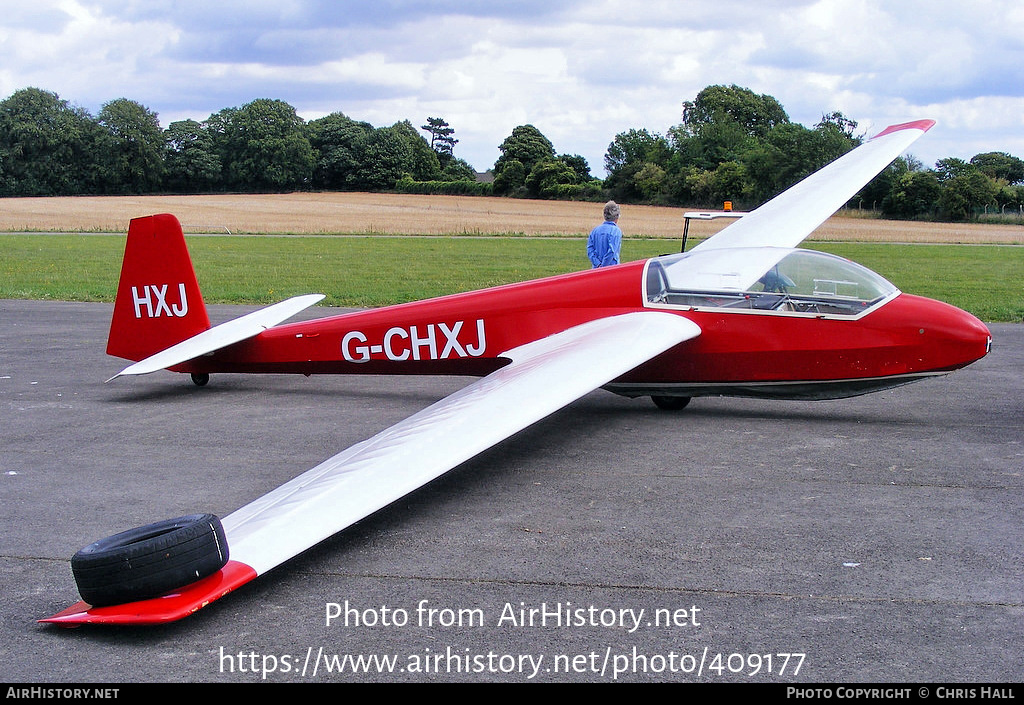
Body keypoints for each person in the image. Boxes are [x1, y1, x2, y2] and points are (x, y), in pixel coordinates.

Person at [587, 201, 622, 267]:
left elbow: (590, 250)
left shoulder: (595, 230)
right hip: (611, 269)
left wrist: (597, 264)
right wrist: (603, 266)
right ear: (616, 216)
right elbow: (612, 251)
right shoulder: (616, 231)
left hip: (595, 269)